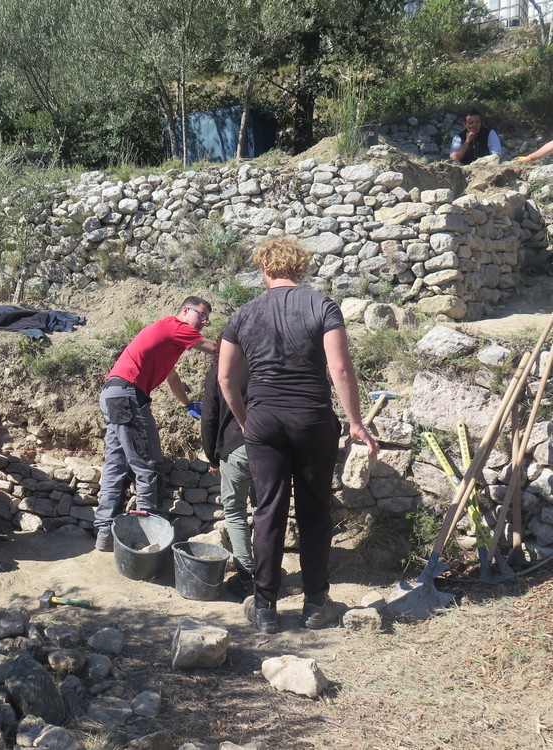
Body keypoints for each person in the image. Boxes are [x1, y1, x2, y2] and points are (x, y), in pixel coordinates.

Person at [217, 238, 378, 634]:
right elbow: (340, 370)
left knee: (268, 510)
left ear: (264, 269)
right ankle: (315, 605)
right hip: (311, 420)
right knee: (314, 511)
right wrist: (356, 422)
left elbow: (225, 377)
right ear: (300, 268)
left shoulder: (243, 314)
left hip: (263, 421)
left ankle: (267, 609)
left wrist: (244, 419)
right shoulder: (322, 305)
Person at [93, 297, 217, 552]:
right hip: (128, 395)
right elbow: (216, 349)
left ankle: (105, 535)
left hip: (113, 394)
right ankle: (148, 538)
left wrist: (186, 404)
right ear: (185, 311)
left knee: (117, 465)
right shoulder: (176, 326)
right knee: (148, 464)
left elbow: (171, 375)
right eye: (201, 315)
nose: (204, 322)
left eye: (207, 318)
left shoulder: (168, 337)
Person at [201, 339, 255, 597]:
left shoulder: (219, 371)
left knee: (234, 512)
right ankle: (268, 574)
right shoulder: (262, 367)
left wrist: (212, 456)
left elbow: (209, 417)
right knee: (266, 511)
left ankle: (247, 577)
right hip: (269, 448)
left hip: (236, 447)